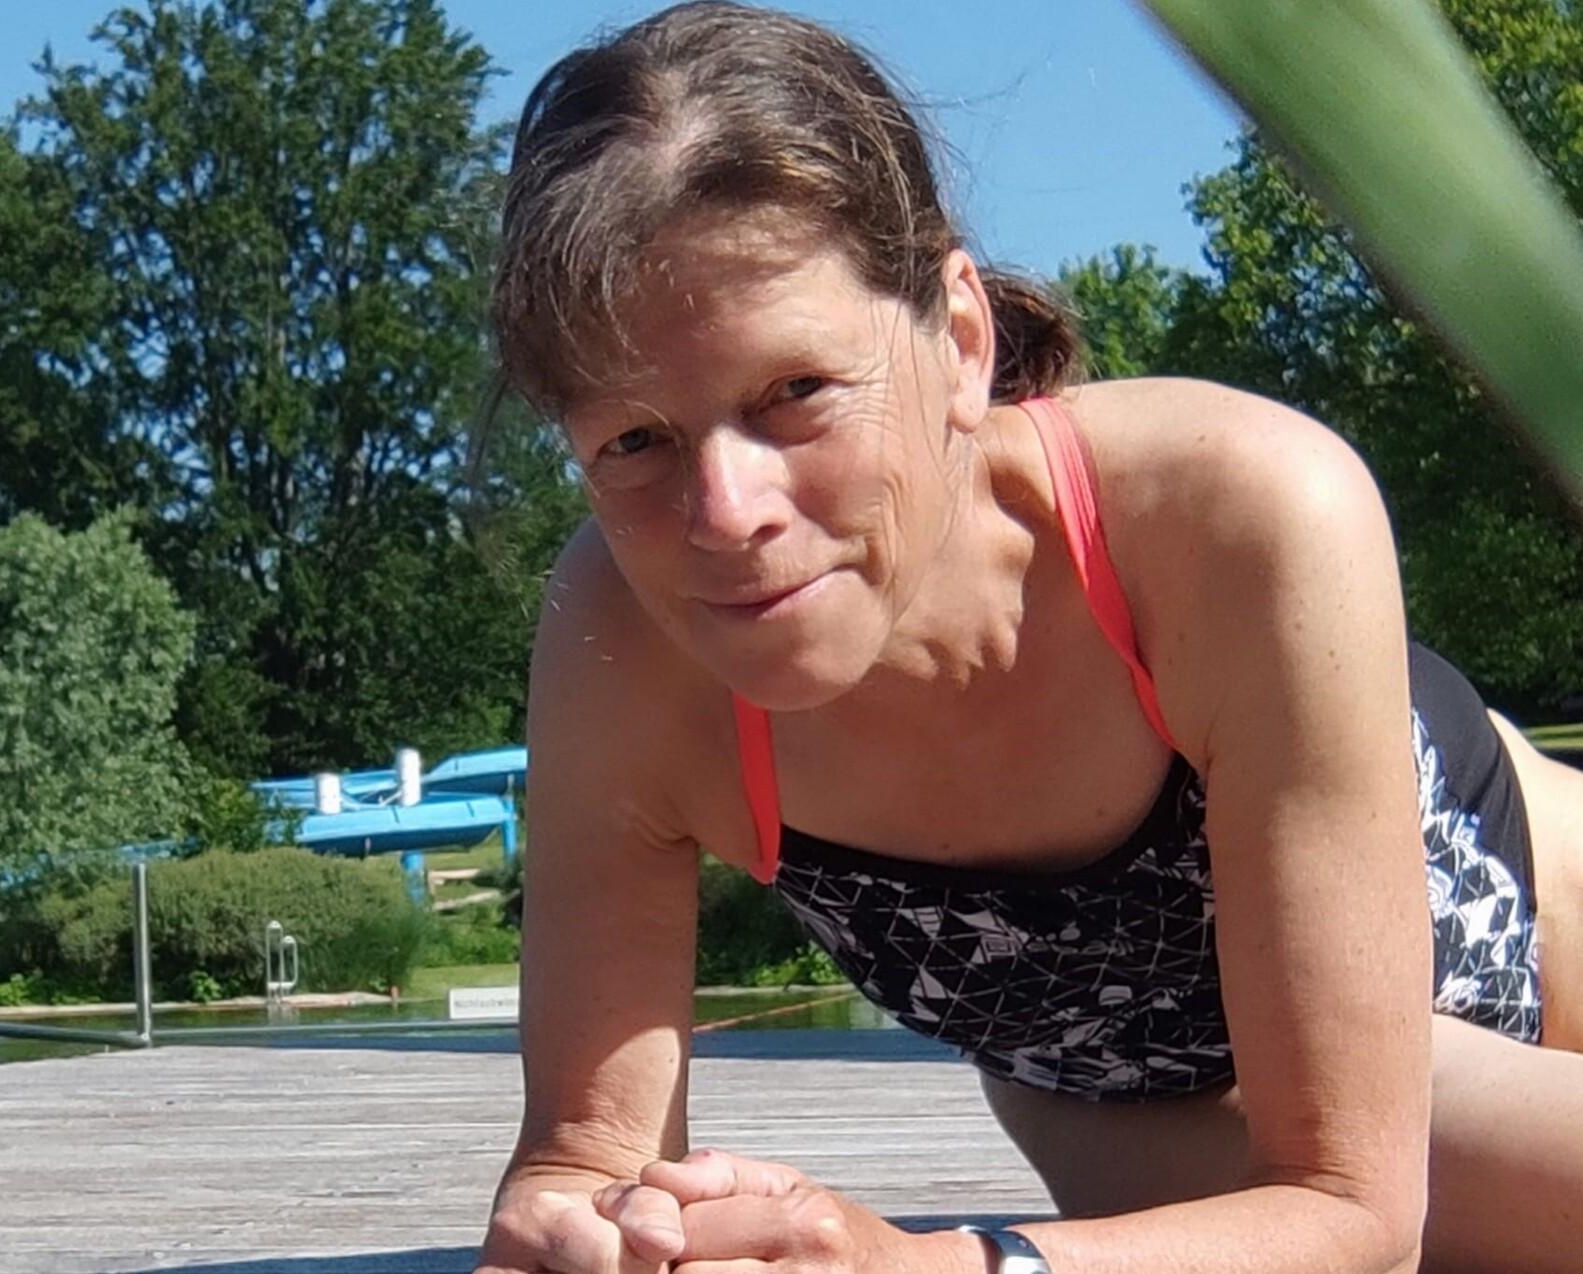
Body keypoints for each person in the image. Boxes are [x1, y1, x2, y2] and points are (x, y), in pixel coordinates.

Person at [472, 4, 1583, 1271]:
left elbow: (1356, 1207)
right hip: (1164, 1124)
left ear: (957, 336)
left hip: (1527, 932)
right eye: (633, 441)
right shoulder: (622, 644)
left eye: (794, 393)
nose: (724, 515)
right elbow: (584, 1157)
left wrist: (941, 1261)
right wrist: (594, 1232)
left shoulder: (1231, 511)